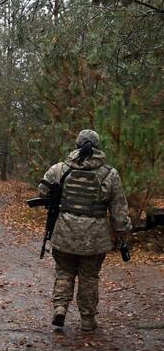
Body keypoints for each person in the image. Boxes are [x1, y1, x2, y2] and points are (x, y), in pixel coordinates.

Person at [38, 130, 131, 331]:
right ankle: (88, 320)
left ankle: (60, 308)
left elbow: (42, 191)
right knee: (89, 277)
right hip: (94, 238)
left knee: (64, 272)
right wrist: (122, 233)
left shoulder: (59, 169)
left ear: (77, 146)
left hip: (64, 233)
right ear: (97, 147)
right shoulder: (110, 174)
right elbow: (119, 211)